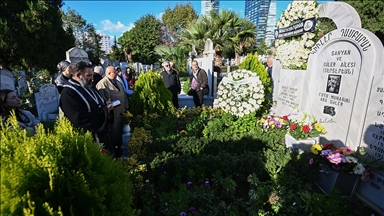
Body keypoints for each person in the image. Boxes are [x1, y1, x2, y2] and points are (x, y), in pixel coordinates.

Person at [60, 61, 112, 154]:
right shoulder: (68, 93)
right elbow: (78, 119)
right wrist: (103, 112)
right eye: (88, 76)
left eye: (92, 75)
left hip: (103, 135)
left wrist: (106, 109)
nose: (92, 79)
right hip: (88, 140)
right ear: (78, 75)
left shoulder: (88, 86)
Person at [96, 66, 129, 158]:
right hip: (112, 115)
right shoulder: (102, 84)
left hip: (121, 113)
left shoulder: (118, 83)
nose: (117, 73)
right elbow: (104, 100)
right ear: (109, 73)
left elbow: (125, 96)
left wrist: (126, 104)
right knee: (113, 135)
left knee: (121, 132)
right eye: (115, 72)